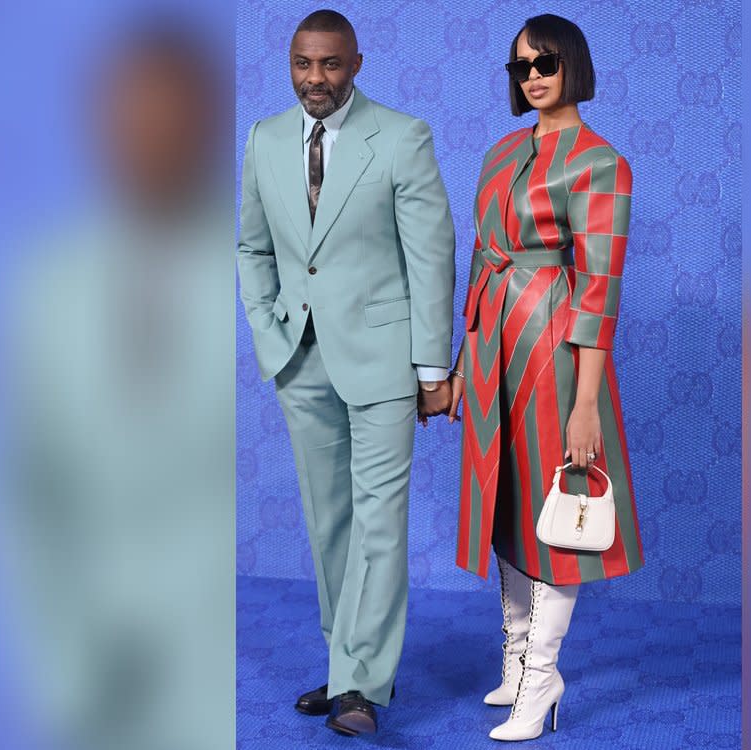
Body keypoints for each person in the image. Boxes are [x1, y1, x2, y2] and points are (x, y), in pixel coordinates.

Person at [236, 9, 455, 739]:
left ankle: (361, 682)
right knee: (329, 521)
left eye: (330, 64)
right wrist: (267, 327)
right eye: (303, 63)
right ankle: (342, 667)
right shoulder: (264, 139)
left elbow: (431, 256)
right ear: (290, 64)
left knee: (379, 524)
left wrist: (432, 367)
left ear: (355, 64)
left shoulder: (401, 136)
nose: (315, 79)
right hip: (299, 357)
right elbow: (252, 247)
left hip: (386, 360)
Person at [447, 14, 644, 741]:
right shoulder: (501, 154)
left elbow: (599, 291)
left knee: (555, 508)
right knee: (506, 500)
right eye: (520, 65)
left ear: (574, 67)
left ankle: (543, 676)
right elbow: (478, 261)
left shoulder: (601, 164)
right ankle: (517, 655)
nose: (532, 74)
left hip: (554, 347)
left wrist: (585, 403)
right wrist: (467, 360)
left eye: (546, 61)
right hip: (495, 343)